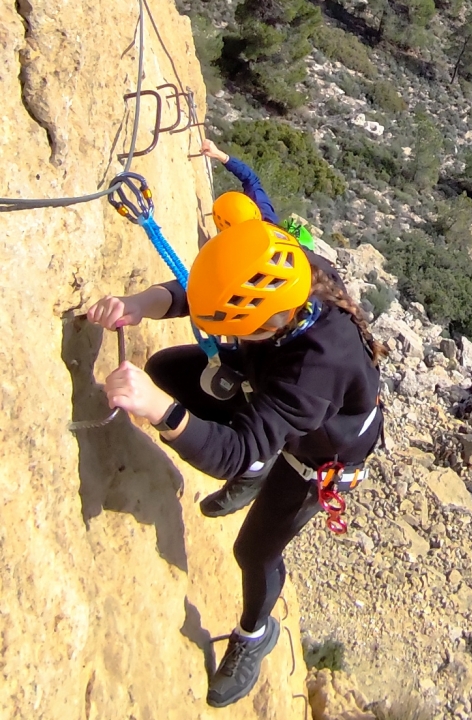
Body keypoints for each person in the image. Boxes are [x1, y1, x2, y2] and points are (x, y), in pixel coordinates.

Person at [85, 219, 386, 707]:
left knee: (254, 552)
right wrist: (139, 305)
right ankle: (258, 471)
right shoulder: (294, 278)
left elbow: (234, 451)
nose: (214, 326)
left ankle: (254, 634)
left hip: (317, 461)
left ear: (268, 323)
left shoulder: (318, 365)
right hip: (274, 394)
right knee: (165, 370)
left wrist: (160, 410)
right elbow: (203, 292)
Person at [201, 139, 316, 251]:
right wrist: (219, 154)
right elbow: (251, 180)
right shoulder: (264, 214)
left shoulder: (262, 213)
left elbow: (250, 179)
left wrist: (220, 155)